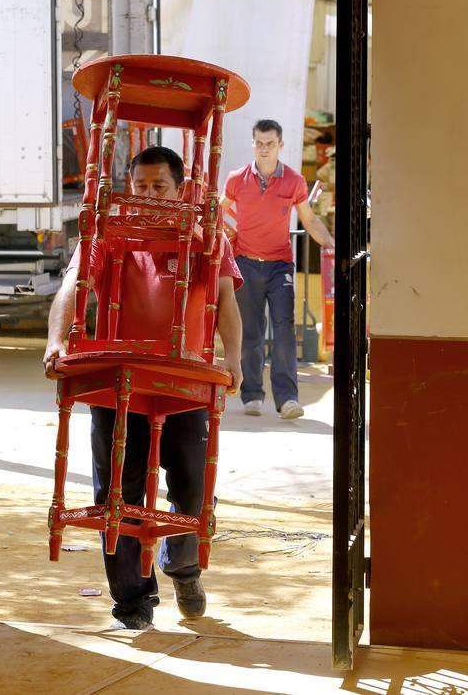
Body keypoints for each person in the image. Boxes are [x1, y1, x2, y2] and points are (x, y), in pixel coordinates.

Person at [43, 146, 243, 631]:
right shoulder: (108, 233)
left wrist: (234, 357)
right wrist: (55, 340)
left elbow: (225, 299)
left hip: (184, 380)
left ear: (181, 190)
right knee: (119, 492)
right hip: (119, 380)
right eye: (140, 187)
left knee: (193, 487)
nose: (149, 196)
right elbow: (73, 284)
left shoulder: (207, 237)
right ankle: (132, 603)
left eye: (160, 187)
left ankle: (183, 567)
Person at [221, 120, 334, 419]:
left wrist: (331, 245)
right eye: (259, 143)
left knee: (284, 328)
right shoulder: (236, 179)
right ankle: (252, 395)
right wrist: (224, 236)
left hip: (280, 265)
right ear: (253, 143)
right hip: (245, 263)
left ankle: (287, 400)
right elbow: (218, 211)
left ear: (280, 144)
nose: (264, 149)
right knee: (251, 332)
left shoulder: (295, 181)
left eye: (270, 143)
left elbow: (309, 220)